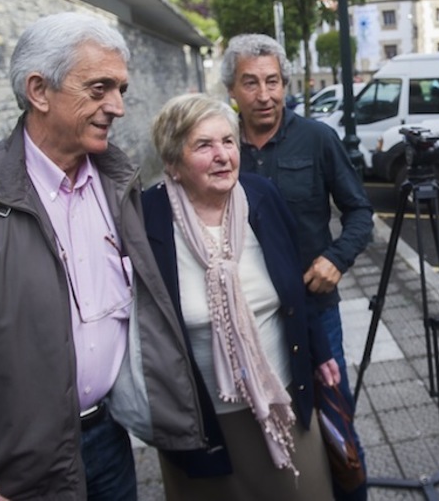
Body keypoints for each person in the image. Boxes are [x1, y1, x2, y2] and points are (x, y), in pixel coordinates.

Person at [0, 12, 206, 500]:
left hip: (109, 438)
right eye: (99, 89)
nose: (117, 107)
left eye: (120, 88)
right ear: (39, 91)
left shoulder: (119, 183)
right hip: (14, 463)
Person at [142, 93, 339, 500]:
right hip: (202, 418)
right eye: (203, 145)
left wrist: (320, 351)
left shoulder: (261, 196)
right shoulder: (146, 218)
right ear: (172, 161)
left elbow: (295, 287)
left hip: (280, 400)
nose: (222, 156)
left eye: (228, 141)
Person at [221, 33, 374, 501]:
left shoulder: (317, 138)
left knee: (332, 419)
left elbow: (360, 213)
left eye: (273, 81)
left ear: (286, 84)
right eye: (251, 83)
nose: (264, 95)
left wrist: (336, 258)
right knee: (262, 422)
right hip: (249, 314)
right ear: (232, 89)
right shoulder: (222, 146)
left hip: (314, 310)